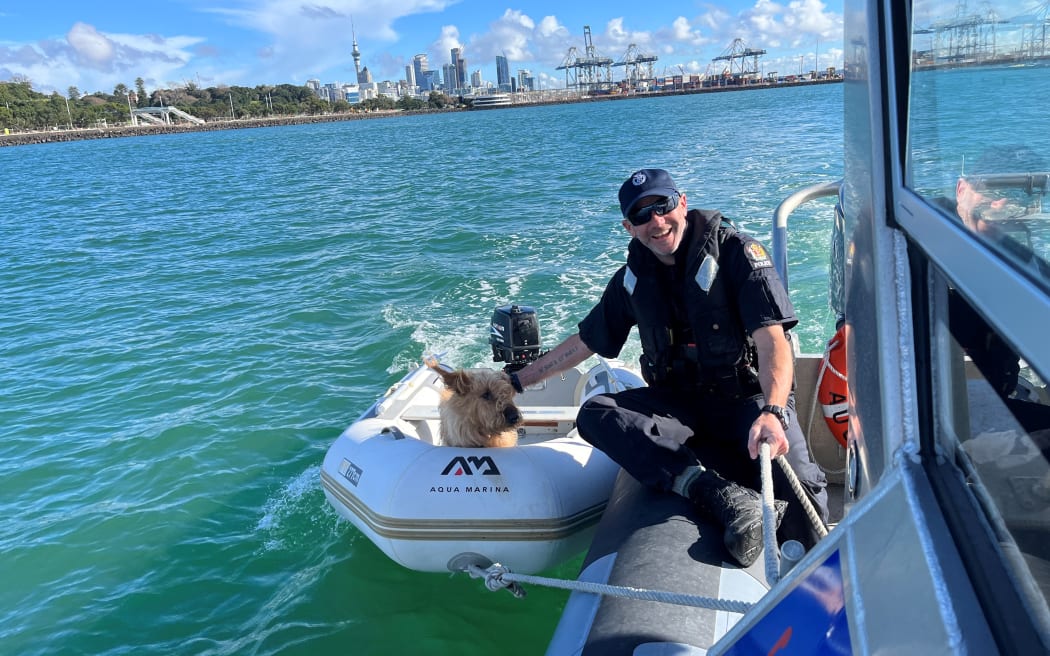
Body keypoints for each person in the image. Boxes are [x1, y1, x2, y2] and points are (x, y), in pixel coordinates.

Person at [507, 168, 829, 567]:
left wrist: (773, 412)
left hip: (746, 401)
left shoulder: (736, 254)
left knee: (800, 485)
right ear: (629, 227)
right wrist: (516, 382)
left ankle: (820, 574)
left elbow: (772, 342)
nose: (656, 222)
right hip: (680, 405)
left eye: (663, 206)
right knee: (596, 414)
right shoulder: (632, 279)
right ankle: (713, 492)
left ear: (683, 203)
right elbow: (586, 342)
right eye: (641, 215)